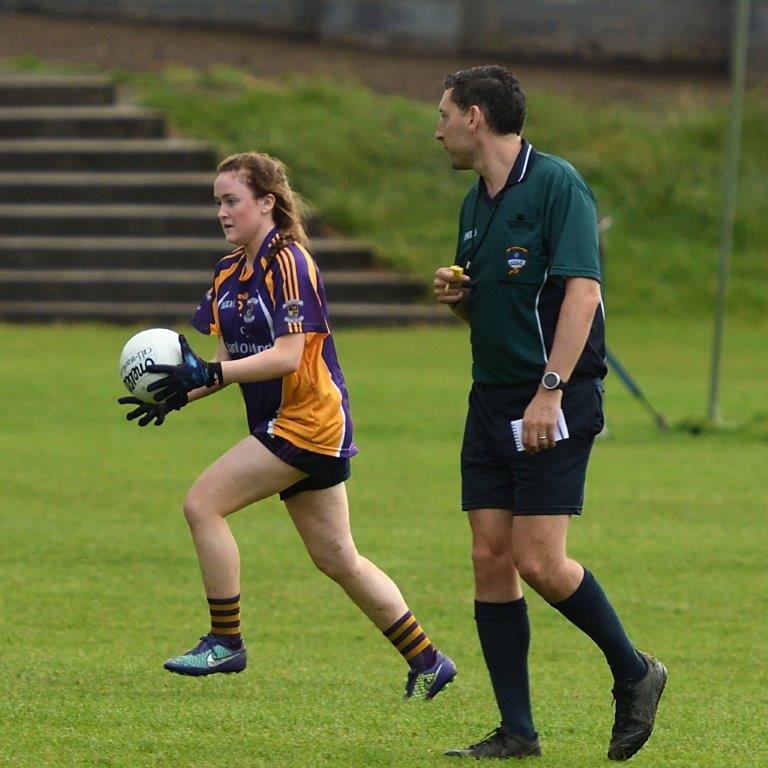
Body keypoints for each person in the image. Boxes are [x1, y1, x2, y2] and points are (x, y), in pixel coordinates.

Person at [118, 151, 456, 701]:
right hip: (289, 424)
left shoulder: (290, 262)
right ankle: (428, 659)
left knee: (202, 505)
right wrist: (181, 392)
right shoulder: (230, 270)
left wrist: (211, 371)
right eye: (218, 202)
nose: (223, 212)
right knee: (337, 557)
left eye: (232, 200)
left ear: (267, 202)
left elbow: (286, 355)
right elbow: (226, 360)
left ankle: (225, 642)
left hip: (308, 422)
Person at [432, 66, 666, 760]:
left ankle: (635, 672)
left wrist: (551, 389)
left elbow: (583, 294)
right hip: (489, 398)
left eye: (443, 114)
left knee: (539, 560)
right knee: (489, 556)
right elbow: (501, 303)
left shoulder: (558, 183)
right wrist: (463, 297)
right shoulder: (475, 202)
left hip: (552, 397)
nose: (437, 128)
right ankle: (517, 732)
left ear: (476, 117)